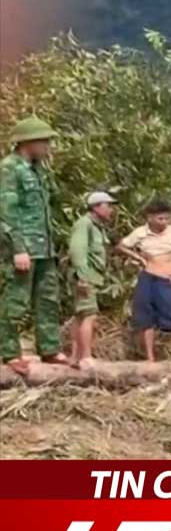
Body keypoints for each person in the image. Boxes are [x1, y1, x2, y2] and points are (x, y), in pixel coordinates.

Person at [0, 116, 69, 374]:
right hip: (23, 249)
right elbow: (6, 213)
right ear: (27, 142)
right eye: (45, 142)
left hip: (44, 248)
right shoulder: (9, 168)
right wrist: (18, 248)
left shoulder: (38, 169)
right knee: (15, 301)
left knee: (48, 299)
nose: (48, 147)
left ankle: (49, 349)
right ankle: (9, 352)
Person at [118, 199, 171, 363]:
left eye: (167, 218)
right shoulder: (140, 232)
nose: (164, 222)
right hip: (147, 277)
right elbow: (121, 246)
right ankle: (150, 358)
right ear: (150, 218)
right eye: (160, 218)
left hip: (166, 280)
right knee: (145, 319)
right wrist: (138, 257)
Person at [67, 191, 118, 368]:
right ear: (96, 207)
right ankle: (86, 357)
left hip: (92, 276)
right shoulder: (85, 224)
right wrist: (82, 277)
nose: (111, 210)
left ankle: (76, 357)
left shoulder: (98, 227)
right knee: (89, 315)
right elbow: (77, 251)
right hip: (85, 277)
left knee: (81, 315)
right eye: (108, 205)